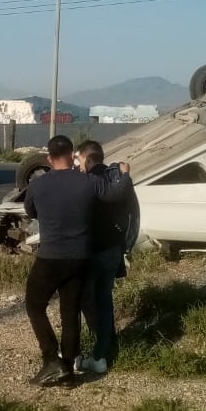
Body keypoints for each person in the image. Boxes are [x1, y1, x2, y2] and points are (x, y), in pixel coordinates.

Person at [23, 135, 132, 386]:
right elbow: (115, 194)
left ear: (49, 158)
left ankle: (51, 360)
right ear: (72, 155)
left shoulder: (38, 185)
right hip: (81, 257)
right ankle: (69, 371)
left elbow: (31, 212)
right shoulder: (89, 181)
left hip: (51, 257)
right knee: (70, 312)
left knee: (34, 305)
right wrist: (125, 174)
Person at [74, 139, 140, 375]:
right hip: (113, 249)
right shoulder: (117, 177)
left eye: (78, 158)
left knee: (80, 300)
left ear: (86, 157)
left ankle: (78, 352)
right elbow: (132, 212)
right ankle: (103, 350)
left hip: (89, 250)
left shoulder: (86, 181)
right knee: (104, 299)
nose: (77, 163)